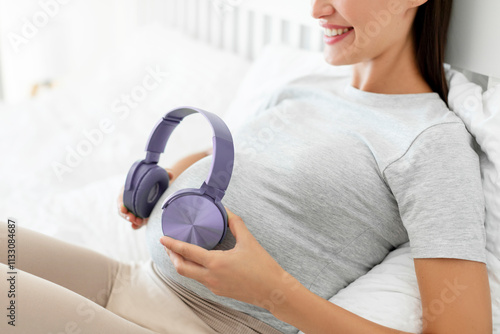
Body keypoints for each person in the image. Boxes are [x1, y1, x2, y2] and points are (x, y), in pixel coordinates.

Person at [0, 0, 492, 333]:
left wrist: (274, 293)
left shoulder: (431, 143)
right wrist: (173, 176)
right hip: (129, 281)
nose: (317, 9)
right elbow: (235, 162)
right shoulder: (305, 86)